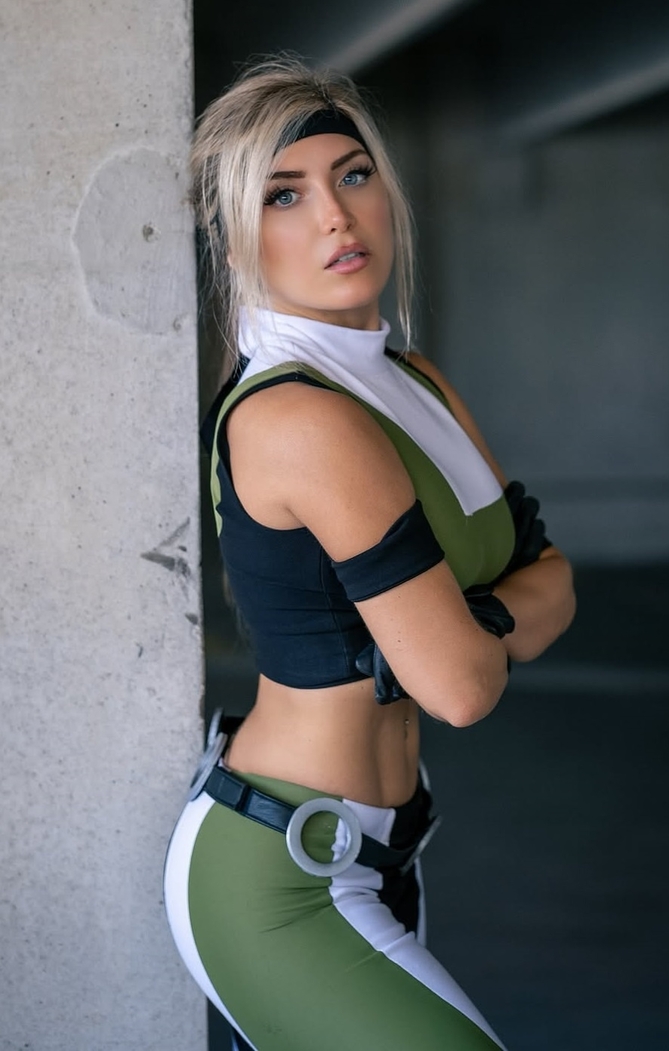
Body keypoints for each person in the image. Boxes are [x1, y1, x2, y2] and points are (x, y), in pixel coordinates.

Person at [163, 55, 576, 1051]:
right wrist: (463, 638)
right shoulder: (299, 418)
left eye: (352, 174)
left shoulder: (413, 379)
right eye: (284, 195)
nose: (335, 217)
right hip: (280, 877)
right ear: (236, 236)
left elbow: (555, 579)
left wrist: (454, 634)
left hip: (387, 849)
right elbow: (462, 689)